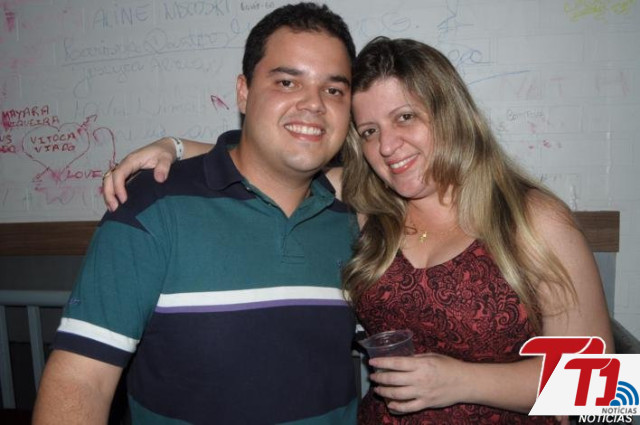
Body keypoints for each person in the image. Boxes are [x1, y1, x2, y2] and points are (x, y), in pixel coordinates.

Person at [102, 37, 614, 424]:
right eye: (369, 131)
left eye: (406, 117)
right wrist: (173, 148)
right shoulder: (368, 203)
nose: (387, 146)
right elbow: (264, 160)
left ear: (451, 114)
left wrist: (460, 381)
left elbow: (602, 389)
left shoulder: (533, 219)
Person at [33, 3, 360, 424]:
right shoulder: (153, 206)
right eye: (286, 82)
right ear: (243, 92)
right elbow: (82, 382)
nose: (313, 104)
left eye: (334, 90)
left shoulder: (355, 217)